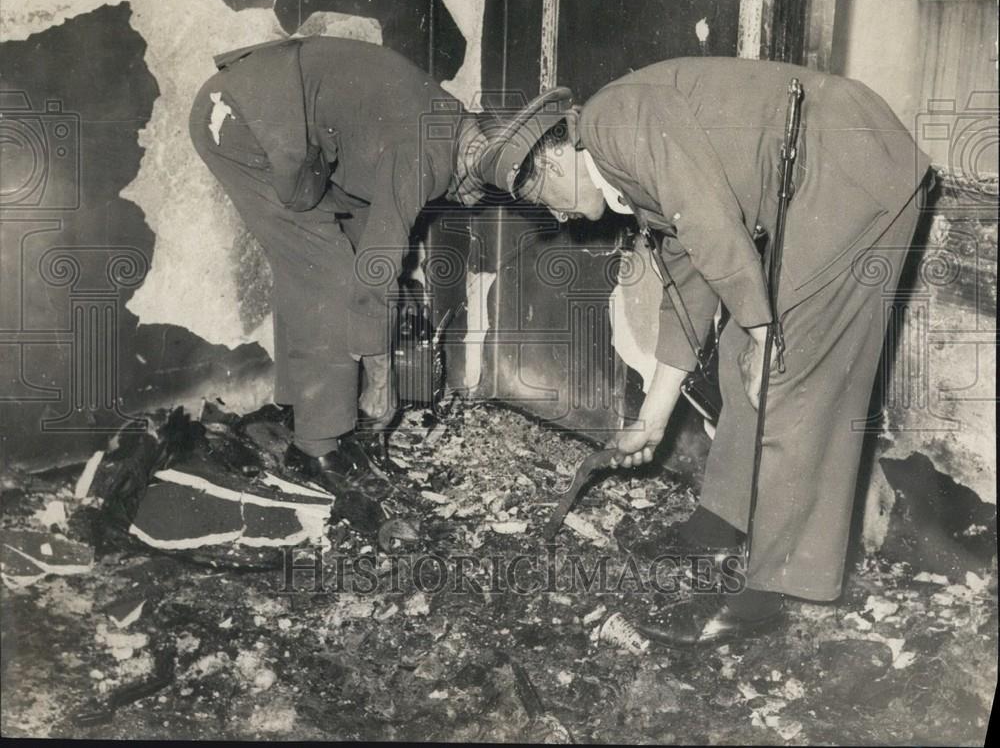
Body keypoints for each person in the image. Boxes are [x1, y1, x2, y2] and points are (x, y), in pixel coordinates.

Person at [491, 57, 931, 643]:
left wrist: (765, 333)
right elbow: (690, 271)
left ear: (550, 162)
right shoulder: (624, 168)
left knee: (788, 363)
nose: (557, 215)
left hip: (850, 167)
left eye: (543, 198)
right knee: (739, 351)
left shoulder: (613, 122)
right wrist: (652, 419)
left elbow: (707, 221)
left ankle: (773, 590)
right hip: (815, 179)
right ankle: (722, 518)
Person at [189, 35, 540, 491]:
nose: (470, 200)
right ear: (474, 151)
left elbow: (375, 244)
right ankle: (314, 450)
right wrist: (380, 380)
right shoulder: (423, 154)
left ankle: (308, 409)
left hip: (293, 131)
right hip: (238, 119)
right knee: (329, 275)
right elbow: (375, 272)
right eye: (475, 185)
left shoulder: (451, 125)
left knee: (330, 260)